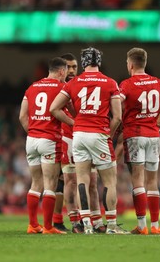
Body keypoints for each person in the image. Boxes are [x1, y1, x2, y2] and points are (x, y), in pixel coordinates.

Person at [50, 47, 129, 234]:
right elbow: (117, 117)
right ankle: (111, 225)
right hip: (99, 133)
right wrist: (107, 135)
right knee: (109, 181)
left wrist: (75, 122)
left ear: (83, 63)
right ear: (99, 62)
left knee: (82, 180)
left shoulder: (72, 83)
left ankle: (86, 224)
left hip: (78, 136)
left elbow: (54, 108)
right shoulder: (110, 83)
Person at [119, 47, 160, 235]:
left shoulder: (126, 84)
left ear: (130, 64)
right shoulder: (158, 83)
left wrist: (119, 120)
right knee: (152, 181)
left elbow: (118, 103)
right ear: (144, 63)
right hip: (153, 135)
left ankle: (141, 226)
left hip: (134, 134)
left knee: (138, 180)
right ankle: (155, 226)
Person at [19, 57, 68, 234]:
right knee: (50, 183)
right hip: (49, 139)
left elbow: (22, 117)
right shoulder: (62, 88)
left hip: (31, 139)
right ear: (61, 71)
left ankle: (33, 225)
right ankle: (48, 226)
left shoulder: (32, 88)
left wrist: (33, 132)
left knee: (35, 183)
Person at [59, 53, 106, 233]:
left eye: (74, 67)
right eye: (68, 67)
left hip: (86, 136)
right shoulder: (61, 87)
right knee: (71, 181)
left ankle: (96, 220)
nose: (71, 70)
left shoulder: (81, 83)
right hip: (68, 138)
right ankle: (75, 220)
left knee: (93, 181)